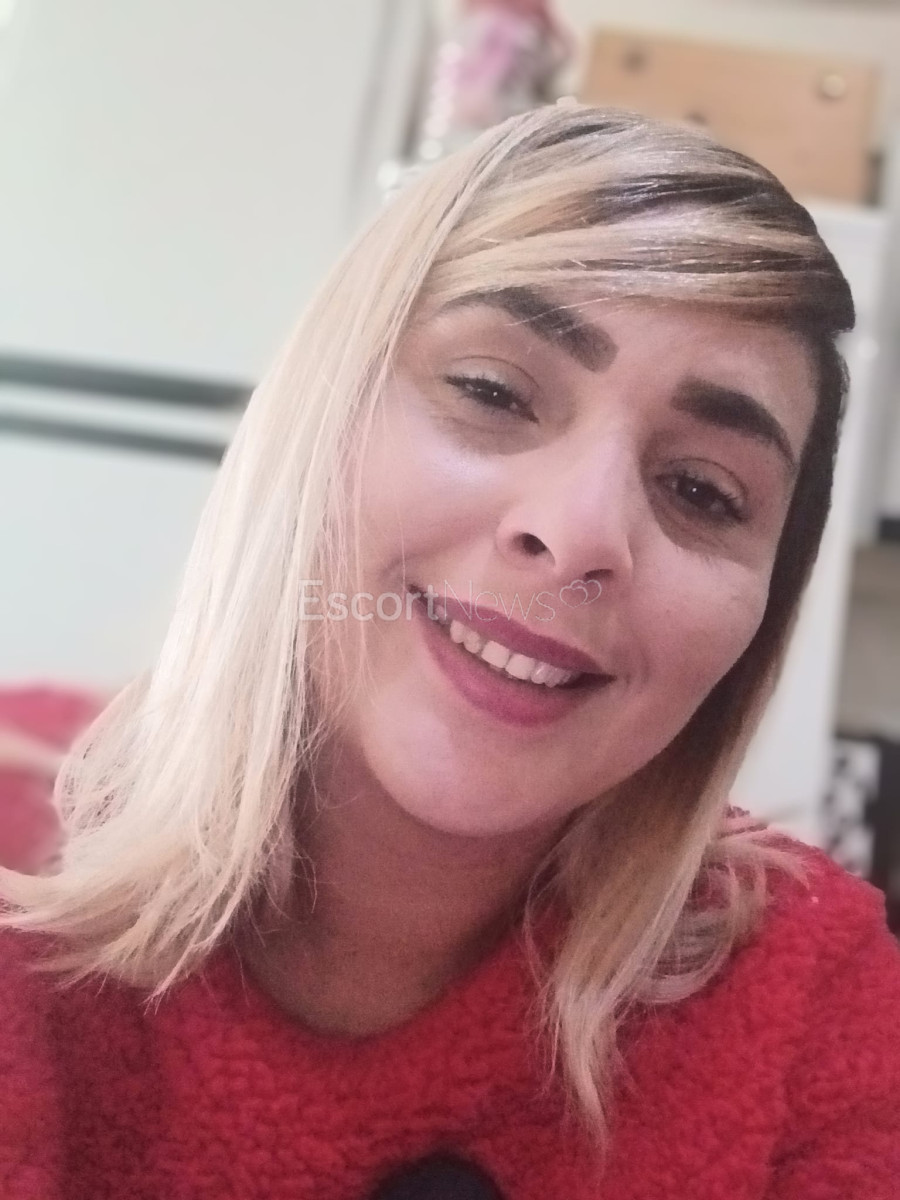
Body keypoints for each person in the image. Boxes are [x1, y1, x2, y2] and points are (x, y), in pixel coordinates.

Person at [1, 103, 898, 1199]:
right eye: (492, 392)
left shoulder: (816, 998)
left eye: (703, 492)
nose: (578, 531)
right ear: (321, 411)